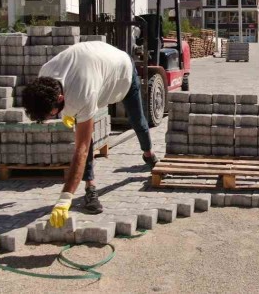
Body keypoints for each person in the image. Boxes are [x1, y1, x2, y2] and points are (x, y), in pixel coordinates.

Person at [22, 41, 159, 228]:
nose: (51, 118)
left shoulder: (82, 92)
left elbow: (82, 149)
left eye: (51, 114)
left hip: (123, 73)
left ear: (60, 98)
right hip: (97, 66)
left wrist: (65, 198)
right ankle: (90, 188)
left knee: (137, 121)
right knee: (84, 130)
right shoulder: (45, 74)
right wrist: (67, 113)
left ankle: (148, 154)